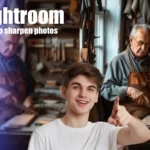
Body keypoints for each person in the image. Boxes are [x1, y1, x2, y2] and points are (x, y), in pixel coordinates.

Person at [28, 62, 150, 150]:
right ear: (64, 91)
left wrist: (129, 119)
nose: (83, 94)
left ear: (96, 96)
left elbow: (144, 135)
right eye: (76, 87)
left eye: (90, 89)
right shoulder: (43, 135)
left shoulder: (104, 131)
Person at [101, 24, 150, 119]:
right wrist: (128, 90)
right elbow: (105, 90)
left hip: (147, 114)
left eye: (147, 44)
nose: (144, 48)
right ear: (131, 40)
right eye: (140, 43)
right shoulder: (118, 61)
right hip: (127, 117)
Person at [0, 27, 35, 124]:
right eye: (8, 43)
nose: (11, 48)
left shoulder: (18, 62)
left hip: (18, 116)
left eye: (15, 44)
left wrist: (29, 97)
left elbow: (30, 85)